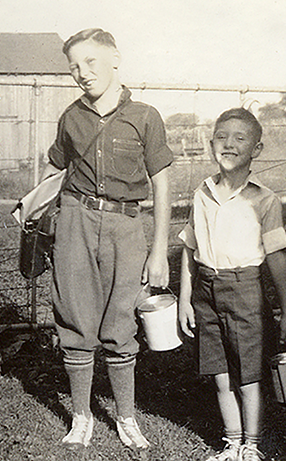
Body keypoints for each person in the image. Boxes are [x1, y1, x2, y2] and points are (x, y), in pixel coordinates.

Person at [44, 28, 173, 450]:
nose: (82, 74)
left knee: (121, 321)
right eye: (74, 67)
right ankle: (81, 416)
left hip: (126, 227)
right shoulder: (71, 117)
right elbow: (54, 172)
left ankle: (126, 416)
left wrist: (158, 251)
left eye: (90, 62)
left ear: (115, 58)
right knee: (76, 316)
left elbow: (163, 184)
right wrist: (41, 218)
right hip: (76, 222)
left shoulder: (146, 116)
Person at [177, 107, 286, 461]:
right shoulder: (201, 193)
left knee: (248, 374)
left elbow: (276, 257)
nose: (228, 144)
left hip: (245, 290)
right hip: (205, 291)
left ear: (256, 150)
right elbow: (189, 247)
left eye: (240, 138)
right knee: (219, 372)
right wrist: (185, 299)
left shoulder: (264, 199)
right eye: (221, 136)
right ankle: (231, 443)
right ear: (211, 142)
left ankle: (252, 446)